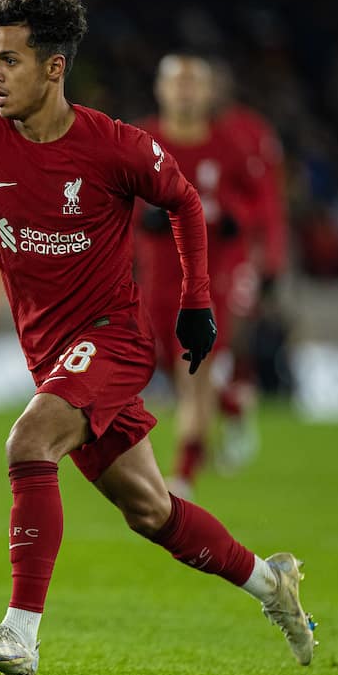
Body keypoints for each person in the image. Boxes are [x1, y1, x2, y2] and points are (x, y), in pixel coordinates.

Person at [0, 0, 314, 675]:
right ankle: (271, 583)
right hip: (51, 354)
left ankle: (20, 635)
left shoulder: (112, 144)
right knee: (151, 511)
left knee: (29, 442)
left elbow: (182, 199)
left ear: (54, 68)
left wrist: (195, 303)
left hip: (112, 341)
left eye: (10, 59)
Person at [133, 54, 268, 497]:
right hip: (157, 277)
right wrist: (140, 216)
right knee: (175, 369)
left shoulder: (231, 145)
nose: (185, 92)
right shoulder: (140, 140)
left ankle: (183, 475)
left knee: (194, 369)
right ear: (161, 89)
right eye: (178, 83)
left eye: (194, 84)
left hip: (210, 279)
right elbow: (112, 194)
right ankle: (232, 405)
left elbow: (258, 202)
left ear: (210, 93)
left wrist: (237, 218)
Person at [209, 59, 290, 470]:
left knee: (227, 339)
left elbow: (269, 202)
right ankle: (230, 413)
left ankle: (235, 422)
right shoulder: (176, 133)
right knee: (182, 348)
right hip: (183, 255)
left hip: (237, 254)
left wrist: (271, 263)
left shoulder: (250, 133)